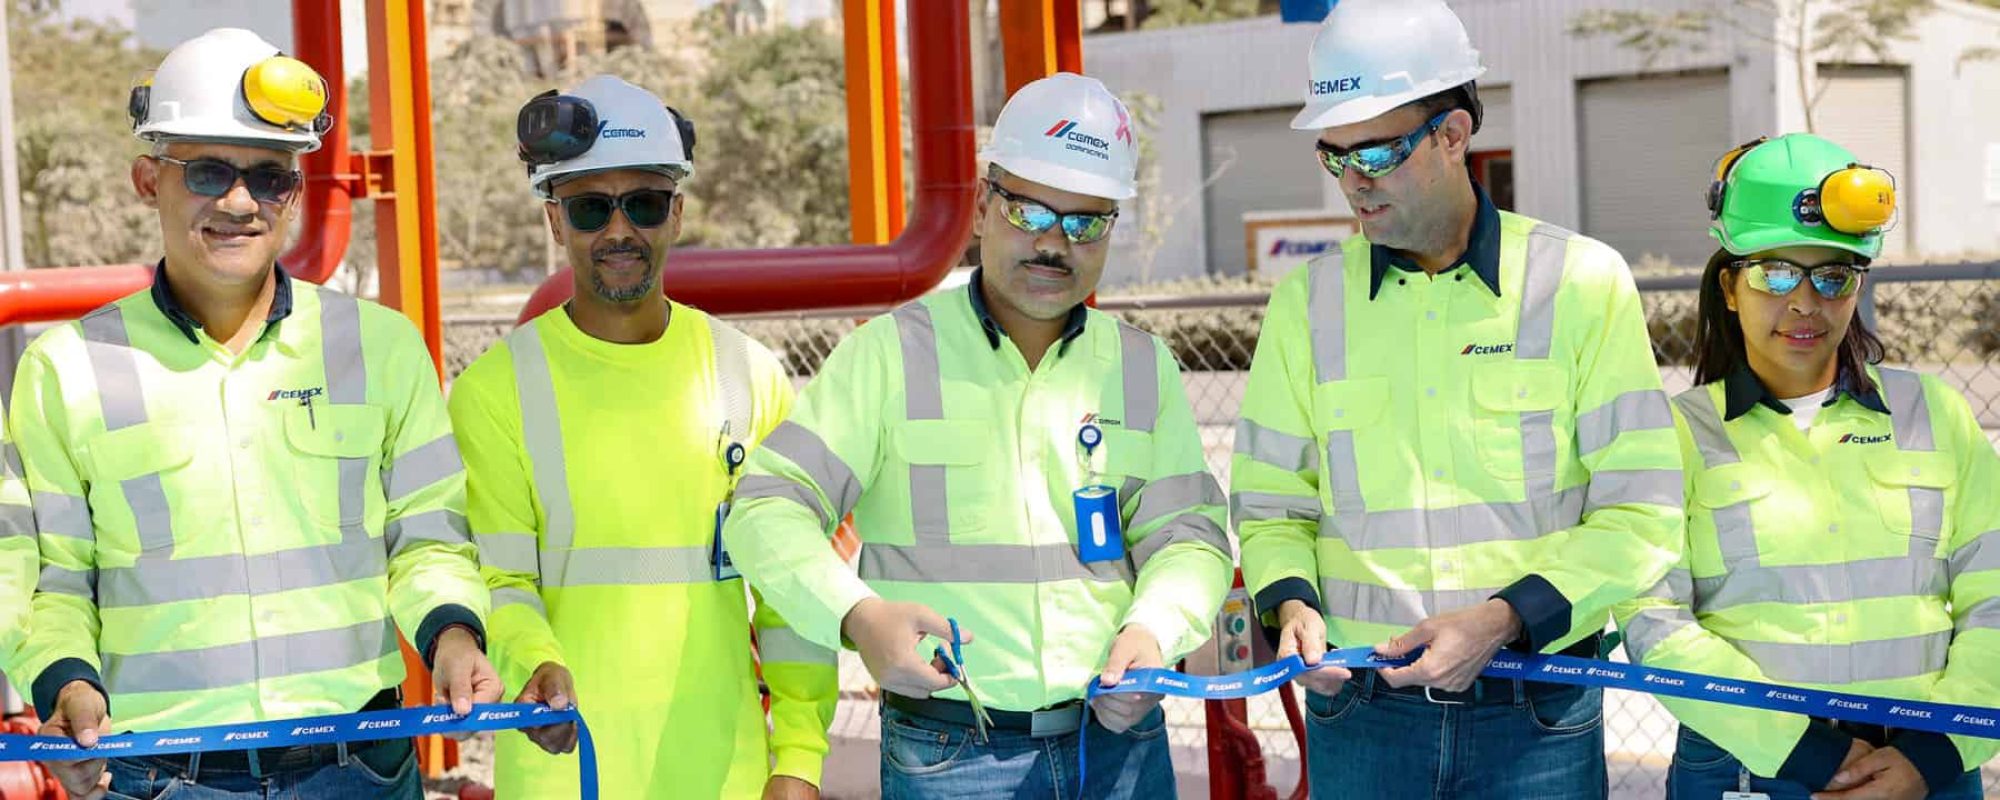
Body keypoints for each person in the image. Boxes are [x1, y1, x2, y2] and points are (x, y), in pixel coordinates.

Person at [9, 28, 495, 799]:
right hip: (160, 775)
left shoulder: (380, 348)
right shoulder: (65, 370)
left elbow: (427, 537)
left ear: (296, 193)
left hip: (360, 766)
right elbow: (55, 586)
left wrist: (454, 636)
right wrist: (66, 687)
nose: (240, 202)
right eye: (207, 171)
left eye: (270, 178)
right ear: (147, 179)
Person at [721, 72, 1233, 799]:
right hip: (952, 756)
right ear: (986, 204)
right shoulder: (890, 355)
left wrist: (1154, 630)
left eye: (1085, 221)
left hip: (1120, 745)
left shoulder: (1141, 367)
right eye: (1030, 211)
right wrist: (857, 616)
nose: (1055, 243)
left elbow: (1190, 537)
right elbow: (765, 506)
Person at [1232, 1, 1686, 796]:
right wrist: (1290, 601)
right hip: (1362, 713)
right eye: (1333, 156)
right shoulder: (1308, 304)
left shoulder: (1579, 283)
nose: (1353, 183)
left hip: (1535, 714)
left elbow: (1642, 512)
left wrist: (1504, 619)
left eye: (1375, 152)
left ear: (1452, 133)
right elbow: (1273, 504)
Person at [450, 74, 836, 799]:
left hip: (728, 774)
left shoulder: (751, 377)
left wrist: (799, 759)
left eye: (645, 203)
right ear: (554, 221)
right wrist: (533, 664)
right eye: (592, 207)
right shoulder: (495, 391)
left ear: (678, 213)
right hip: (567, 772)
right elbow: (502, 582)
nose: (619, 230)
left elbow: (792, 594)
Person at [1613, 133, 1999, 800]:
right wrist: (1802, 748)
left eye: (1832, 275)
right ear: (1731, 288)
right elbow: (1654, 621)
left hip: (1925, 768)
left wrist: (1938, 751)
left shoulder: (1932, 414)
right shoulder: (1673, 435)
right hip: (1749, 769)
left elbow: (1994, 597)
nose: (1804, 302)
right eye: (1774, 272)